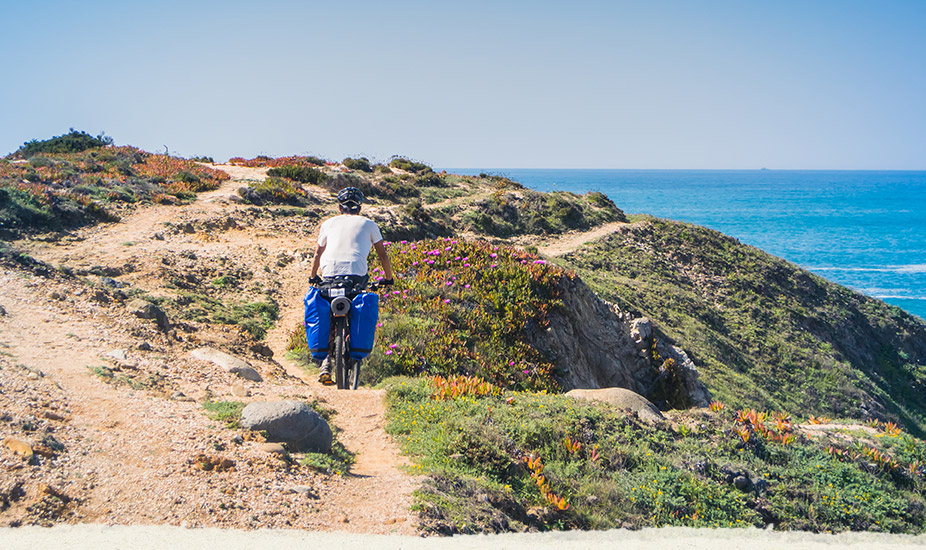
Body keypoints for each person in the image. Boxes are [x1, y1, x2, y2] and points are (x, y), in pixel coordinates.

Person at [309, 186, 394, 384]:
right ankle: (351, 348)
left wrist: (313, 276)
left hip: (329, 273)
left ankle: (326, 364)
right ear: (360, 207)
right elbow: (383, 255)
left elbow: (317, 254)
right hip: (356, 276)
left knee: (328, 310)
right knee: (357, 307)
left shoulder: (328, 224)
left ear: (339, 207)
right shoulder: (369, 224)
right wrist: (388, 278)